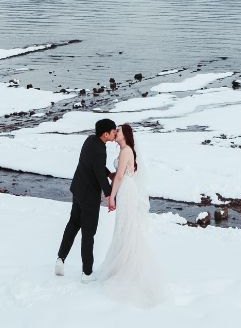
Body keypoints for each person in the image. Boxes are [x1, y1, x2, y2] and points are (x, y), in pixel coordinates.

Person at [96, 123, 165, 306]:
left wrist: (111, 198)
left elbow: (120, 177)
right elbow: (119, 174)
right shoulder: (124, 151)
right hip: (126, 189)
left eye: (118, 131)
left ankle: (128, 269)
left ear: (125, 134)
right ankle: (121, 267)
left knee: (126, 228)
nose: (115, 133)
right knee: (124, 228)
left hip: (126, 191)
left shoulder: (126, 150)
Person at [55, 118, 118, 279]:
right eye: (113, 131)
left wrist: (109, 173)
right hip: (89, 196)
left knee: (73, 224)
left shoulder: (90, 140)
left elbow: (95, 165)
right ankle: (87, 273)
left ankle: (60, 259)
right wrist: (110, 194)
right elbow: (98, 173)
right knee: (88, 233)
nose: (115, 133)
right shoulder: (100, 150)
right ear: (105, 134)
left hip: (78, 189)